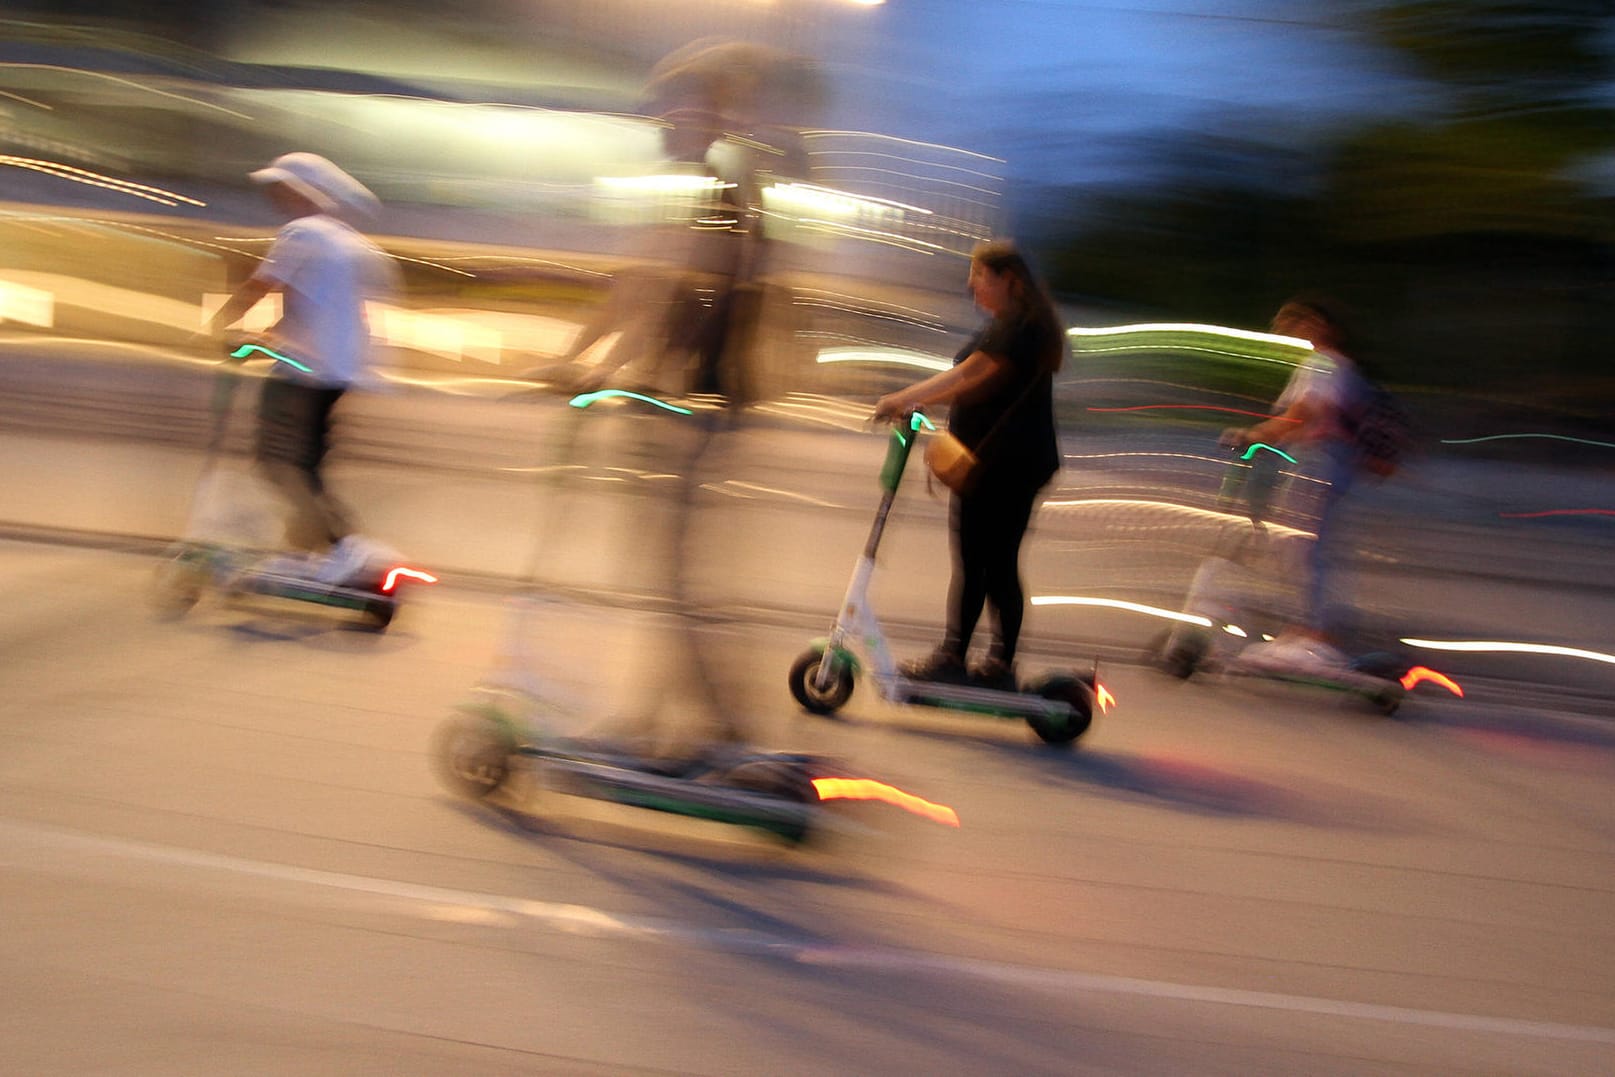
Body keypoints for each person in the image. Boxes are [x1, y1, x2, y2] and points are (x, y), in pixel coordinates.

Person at [873, 239, 1065, 689]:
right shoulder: (1007, 325)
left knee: (991, 562)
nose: (971, 283)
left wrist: (905, 396)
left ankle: (980, 662)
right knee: (982, 561)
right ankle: (968, 659)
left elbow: (969, 376)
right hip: (993, 465)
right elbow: (972, 384)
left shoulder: (1020, 330)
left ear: (1008, 280)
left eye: (980, 274)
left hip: (1008, 467)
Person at [206, 152, 397, 578]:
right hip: (340, 372)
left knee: (275, 463)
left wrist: (219, 325)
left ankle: (341, 547)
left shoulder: (301, 233)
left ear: (300, 191)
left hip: (303, 370)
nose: (274, 194)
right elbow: (322, 308)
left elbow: (261, 285)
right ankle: (305, 550)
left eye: (280, 185)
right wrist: (268, 335)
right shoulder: (350, 241)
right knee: (306, 465)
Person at [1221, 294, 1372, 673]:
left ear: (1322, 326)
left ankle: (1315, 639)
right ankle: (1302, 631)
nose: (1295, 330)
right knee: (1298, 548)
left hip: (1321, 460)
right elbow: (1298, 414)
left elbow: (1305, 412)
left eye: (1301, 322)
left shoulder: (1327, 364)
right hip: (1320, 461)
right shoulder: (1327, 365)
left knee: (1303, 549)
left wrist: (1254, 433)